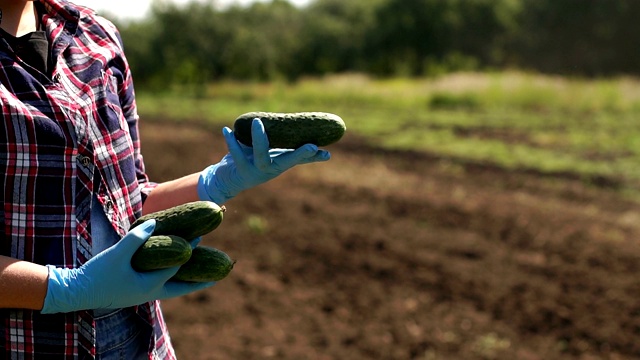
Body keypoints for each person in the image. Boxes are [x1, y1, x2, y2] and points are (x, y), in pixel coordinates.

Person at [0, 0, 330, 358]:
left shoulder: (95, 36)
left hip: (139, 338)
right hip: (29, 344)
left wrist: (219, 181)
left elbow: (130, 201)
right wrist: (68, 289)